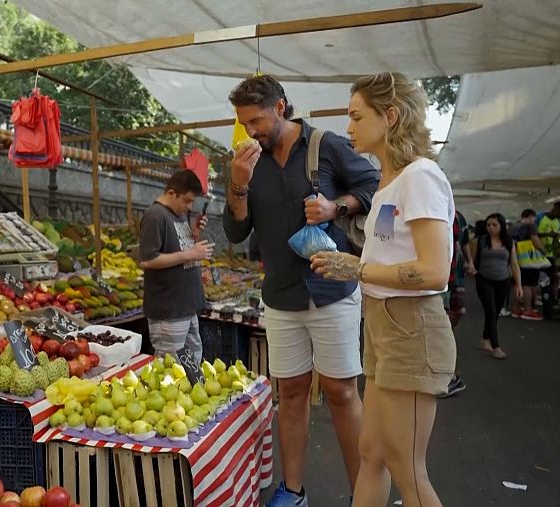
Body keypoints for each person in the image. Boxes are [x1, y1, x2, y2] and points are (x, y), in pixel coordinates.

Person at [223, 74, 379, 506]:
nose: (250, 131)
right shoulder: (244, 161)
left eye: (256, 120)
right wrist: (238, 181)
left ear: (280, 107)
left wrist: (336, 206)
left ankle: (363, 495)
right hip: (281, 295)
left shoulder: (325, 144)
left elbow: (373, 185)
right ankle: (293, 492)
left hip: (332, 289)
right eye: (243, 123)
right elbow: (235, 230)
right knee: (290, 392)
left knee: (342, 392)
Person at [311, 72, 455, 507]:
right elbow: (393, 253)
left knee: (408, 469)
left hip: (410, 328)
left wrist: (359, 269)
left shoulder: (420, 176)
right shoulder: (391, 183)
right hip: (383, 325)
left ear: (390, 116)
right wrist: (360, 267)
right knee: (371, 452)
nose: (348, 128)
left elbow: (435, 271)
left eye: (356, 117)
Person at [138, 170, 211, 362]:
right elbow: (147, 260)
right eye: (187, 201)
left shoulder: (177, 215)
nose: (189, 206)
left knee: (191, 364)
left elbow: (180, 248)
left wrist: (194, 233)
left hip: (186, 306)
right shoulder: (155, 215)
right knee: (171, 367)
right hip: (168, 310)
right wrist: (189, 254)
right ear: (171, 193)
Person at [474, 214, 523, 360]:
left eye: (494, 225)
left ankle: (485, 338)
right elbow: (473, 257)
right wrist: (471, 267)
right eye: (488, 225)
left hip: (502, 280)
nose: (491, 228)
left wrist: (518, 284)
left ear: (501, 226)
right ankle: (496, 347)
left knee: (495, 313)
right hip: (484, 279)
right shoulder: (481, 241)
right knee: (490, 311)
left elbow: (514, 264)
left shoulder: (508, 242)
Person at [439, 210, 472, 398]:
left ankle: (448, 377)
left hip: (441, 281)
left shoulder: (454, 215)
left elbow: (458, 245)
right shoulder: (452, 213)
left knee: (440, 329)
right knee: (441, 329)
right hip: (444, 279)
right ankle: (448, 376)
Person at [510, 209, 546, 320]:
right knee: (528, 284)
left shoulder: (514, 227)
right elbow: (535, 240)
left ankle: (515, 309)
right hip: (528, 259)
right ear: (531, 217)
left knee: (517, 283)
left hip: (515, 257)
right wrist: (542, 250)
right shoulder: (531, 226)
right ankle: (527, 309)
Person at [537, 201, 560, 318]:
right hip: (536, 254)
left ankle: (551, 299)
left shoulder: (558, 222)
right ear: (555, 208)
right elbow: (533, 233)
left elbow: (555, 238)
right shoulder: (540, 217)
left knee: (554, 278)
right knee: (539, 278)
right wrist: (547, 235)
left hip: (549, 254)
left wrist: (557, 245)